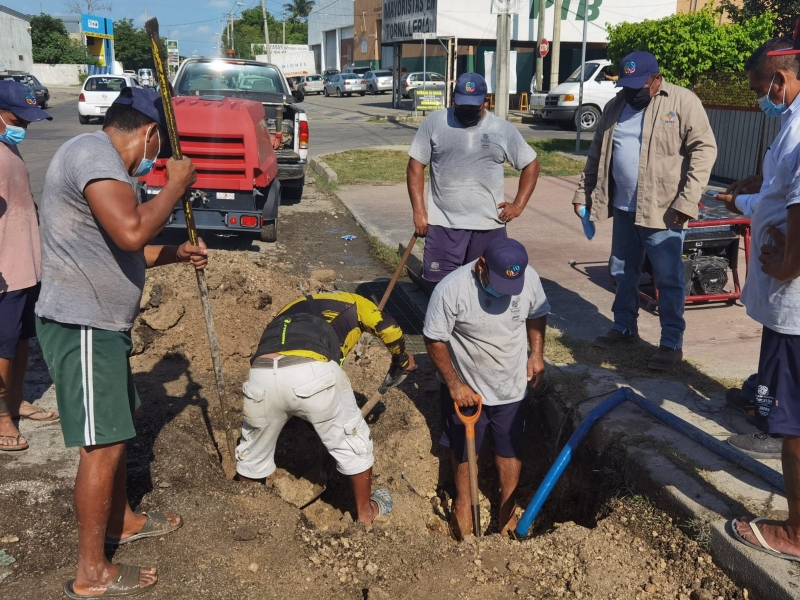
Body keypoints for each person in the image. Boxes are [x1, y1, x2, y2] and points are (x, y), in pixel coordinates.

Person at [35, 87, 207, 598]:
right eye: (161, 147)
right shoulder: (94, 156)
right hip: (84, 325)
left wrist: (175, 254)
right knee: (102, 447)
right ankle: (92, 572)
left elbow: (123, 251)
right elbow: (131, 233)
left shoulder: (103, 162)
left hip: (102, 327)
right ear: (151, 133)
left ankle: (122, 522)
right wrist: (174, 188)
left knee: (116, 431)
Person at [572, 51, 717, 370]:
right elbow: (596, 157)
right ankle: (624, 327)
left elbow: (704, 149)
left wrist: (687, 200)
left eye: (639, 85)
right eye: (626, 85)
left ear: (656, 79)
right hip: (624, 208)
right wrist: (582, 193)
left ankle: (670, 342)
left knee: (668, 277)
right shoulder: (614, 107)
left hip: (665, 210)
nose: (632, 92)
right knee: (623, 272)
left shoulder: (682, 102)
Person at [236, 291, 416, 524]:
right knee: (354, 443)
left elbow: (278, 367)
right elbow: (390, 329)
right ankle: (366, 512)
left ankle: (249, 514)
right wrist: (401, 359)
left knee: (253, 453)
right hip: (312, 370)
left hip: (261, 373)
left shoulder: (291, 306)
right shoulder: (357, 303)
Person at [723, 35, 800, 561]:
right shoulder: (789, 126)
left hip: (794, 308)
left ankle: (795, 535)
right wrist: (745, 195)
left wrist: (791, 261)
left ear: (779, 79)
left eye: (761, 87)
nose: (761, 97)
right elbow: (778, 193)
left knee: (792, 423)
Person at [423, 237, 549, 538]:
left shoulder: (527, 278)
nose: (507, 293)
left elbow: (537, 313)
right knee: (466, 452)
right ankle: (463, 506)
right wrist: (454, 384)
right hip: (469, 389)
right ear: (482, 266)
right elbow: (434, 338)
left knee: (510, 450)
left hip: (511, 386)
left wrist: (536, 353)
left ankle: (508, 508)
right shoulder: (451, 290)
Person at [407, 73, 541, 289]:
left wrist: (518, 205)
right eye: (462, 106)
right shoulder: (435, 122)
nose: (467, 111)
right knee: (439, 288)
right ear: (453, 98)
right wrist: (419, 211)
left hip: (488, 225)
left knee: (485, 286)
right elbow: (415, 165)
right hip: (443, 224)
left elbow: (531, 164)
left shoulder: (502, 129)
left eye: (473, 106)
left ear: (486, 101)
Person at [0, 81, 59, 452]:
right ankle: (1, 419)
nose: (25, 125)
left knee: (21, 342)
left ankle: (14, 402)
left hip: (25, 266)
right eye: (17, 118)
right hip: (5, 271)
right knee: (2, 347)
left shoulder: (10, 146)